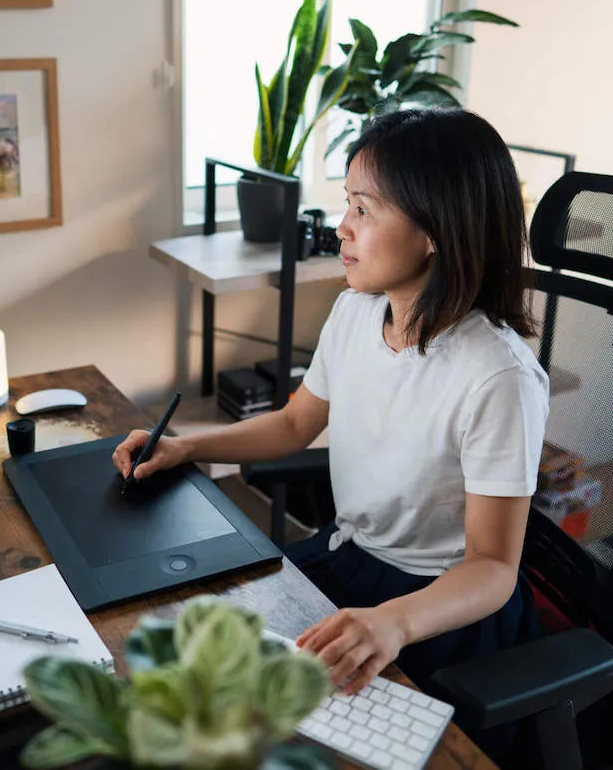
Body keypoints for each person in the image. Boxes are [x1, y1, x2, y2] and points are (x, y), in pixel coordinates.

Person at [112, 107, 548, 698]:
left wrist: (395, 621)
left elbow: (494, 568)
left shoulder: (497, 376)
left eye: (363, 210)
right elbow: (295, 423)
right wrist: (187, 446)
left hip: (435, 608)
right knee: (181, 650)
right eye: (347, 202)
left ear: (433, 232)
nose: (342, 226)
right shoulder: (357, 312)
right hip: (348, 556)